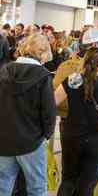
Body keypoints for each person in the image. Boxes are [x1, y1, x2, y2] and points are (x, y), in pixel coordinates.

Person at [55, 47, 98, 196]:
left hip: (72, 135)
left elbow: (53, 100)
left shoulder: (73, 79)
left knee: (68, 179)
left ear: (84, 61)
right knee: (87, 185)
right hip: (97, 140)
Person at [0, 33, 56, 196]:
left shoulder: (4, 71)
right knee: (37, 188)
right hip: (32, 142)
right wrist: (47, 134)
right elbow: (48, 113)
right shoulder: (43, 76)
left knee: (2, 187)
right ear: (43, 52)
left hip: (4, 139)